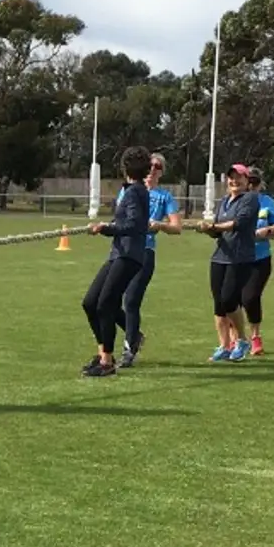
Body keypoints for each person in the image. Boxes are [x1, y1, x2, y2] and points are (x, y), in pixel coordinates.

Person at [79, 147, 155, 377]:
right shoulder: (135, 190)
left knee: (105, 305)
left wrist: (106, 228)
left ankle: (106, 361)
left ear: (124, 167)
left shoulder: (134, 192)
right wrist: (108, 225)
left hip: (128, 255)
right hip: (119, 253)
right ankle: (104, 354)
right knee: (90, 302)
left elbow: (134, 225)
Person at [119, 152, 181, 368]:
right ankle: (135, 334)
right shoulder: (128, 191)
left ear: (161, 172)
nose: (152, 170)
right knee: (107, 300)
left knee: (131, 300)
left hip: (145, 252)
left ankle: (129, 349)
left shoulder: (165, 197)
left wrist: (160, 225)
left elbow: (176, 227)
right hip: (123, 250)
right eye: (149, 166)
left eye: (157, 167)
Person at [194, 164, 261, 362]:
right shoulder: (224, 201)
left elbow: (238, 223)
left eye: (239, 177)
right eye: (231, 178)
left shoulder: (250, 199)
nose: (234, 181)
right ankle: (224, 346)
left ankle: (241, 340)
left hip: (240, 257)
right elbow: (217, 231)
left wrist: (214, 226)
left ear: (247, 181)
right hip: (220, 256)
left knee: (229, 299)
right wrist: (207, 229)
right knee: (219, 304)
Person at [238, 167, 274, 355]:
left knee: (250, 297)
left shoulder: (266, 202)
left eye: (255, 182)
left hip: (260, 258)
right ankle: (237, 339)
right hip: (238, 257)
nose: (251, 186)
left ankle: (255, 336)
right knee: (233, 300)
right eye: (248, 181)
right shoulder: (237, 201)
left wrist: (268, 231)